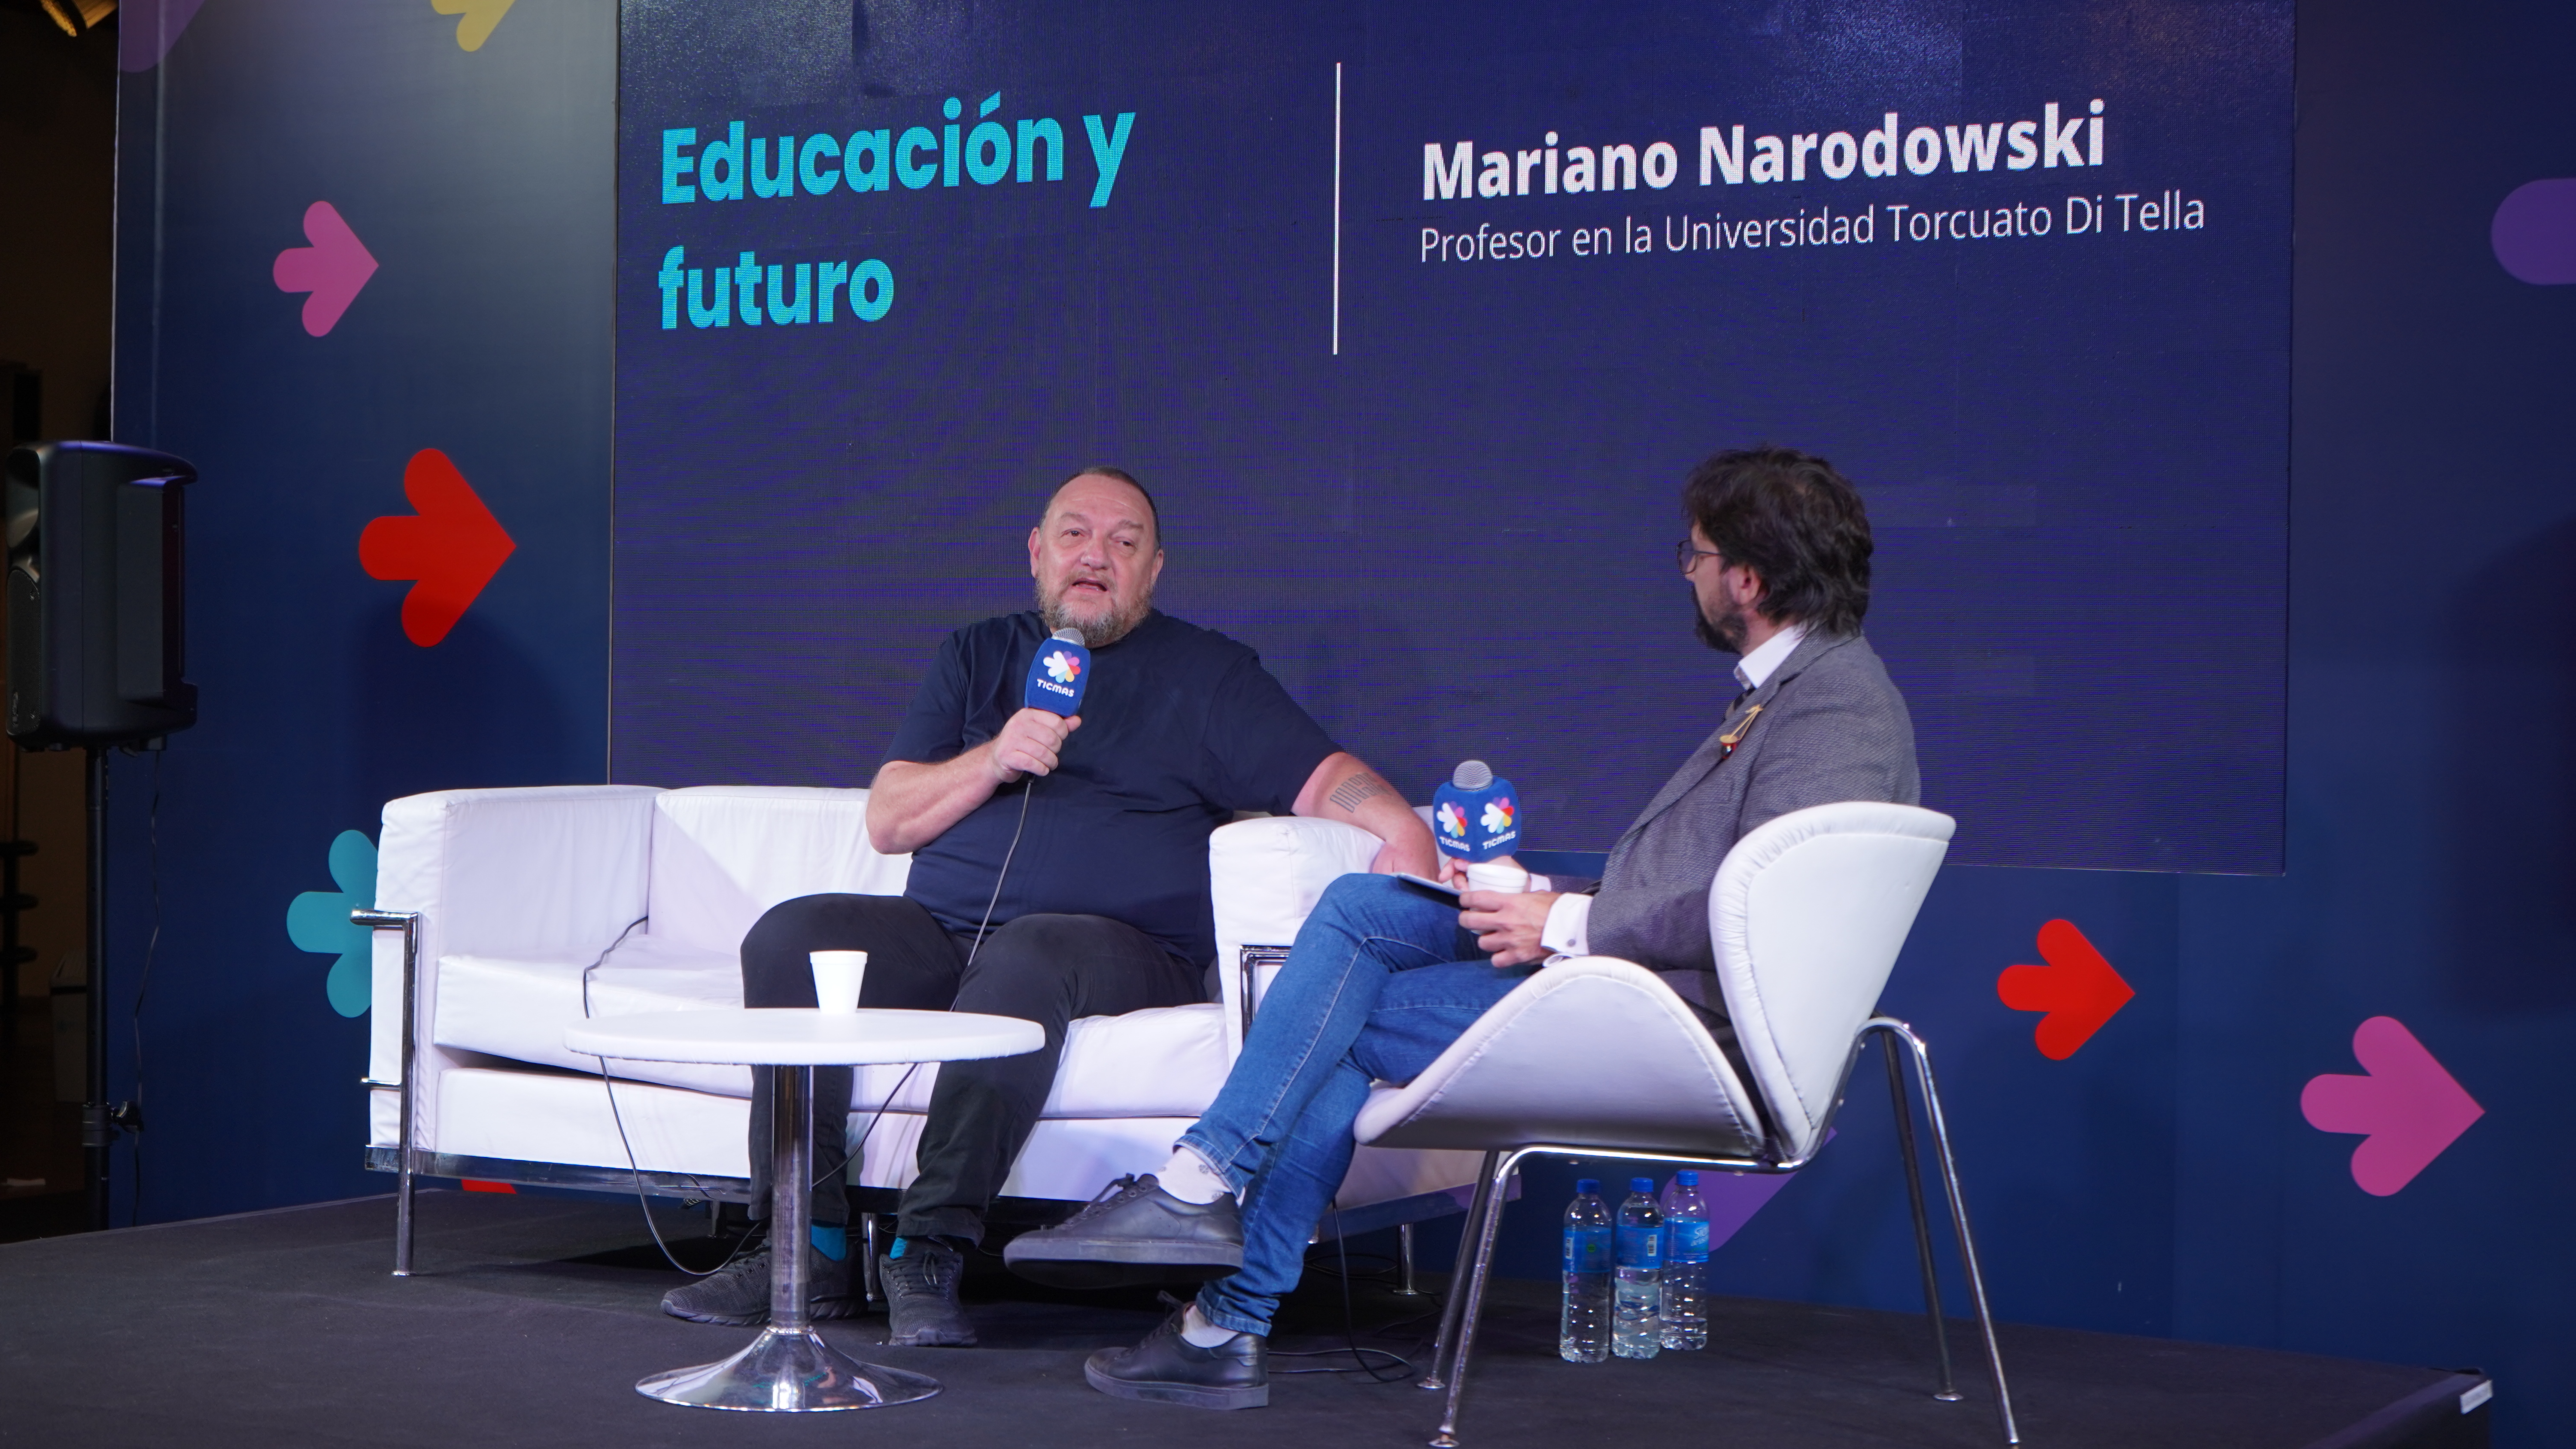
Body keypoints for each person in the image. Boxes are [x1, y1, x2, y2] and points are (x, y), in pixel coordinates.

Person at [1002, 445, 1921, 1409]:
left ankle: (1217, 1272)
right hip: (1636, 970)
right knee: (1363, 911)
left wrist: (1568, 919)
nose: (1686, 572)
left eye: (1692, 554)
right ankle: (1210, 1248)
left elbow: (1769, 903)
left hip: (1678, 1016)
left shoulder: (1837, 706)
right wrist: (1530, 894)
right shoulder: (1794, 688)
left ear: (1749, 576)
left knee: (1344, 1017)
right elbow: (1722, 879)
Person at [660, 467, 1437, 1346]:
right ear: (1038, 553)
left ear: (1154, 570)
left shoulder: (1210, 675)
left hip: (1122, 947)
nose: (1095, 557)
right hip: (946, 933)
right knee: (794, 933)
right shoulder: (976, 656)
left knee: (1032, 949)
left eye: (1124, 541)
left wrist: (1396, 823)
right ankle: (809, 1243)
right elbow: (888, 817)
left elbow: (1327, 777)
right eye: (1074, 535)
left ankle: (929, 1245)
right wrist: (996, 754)